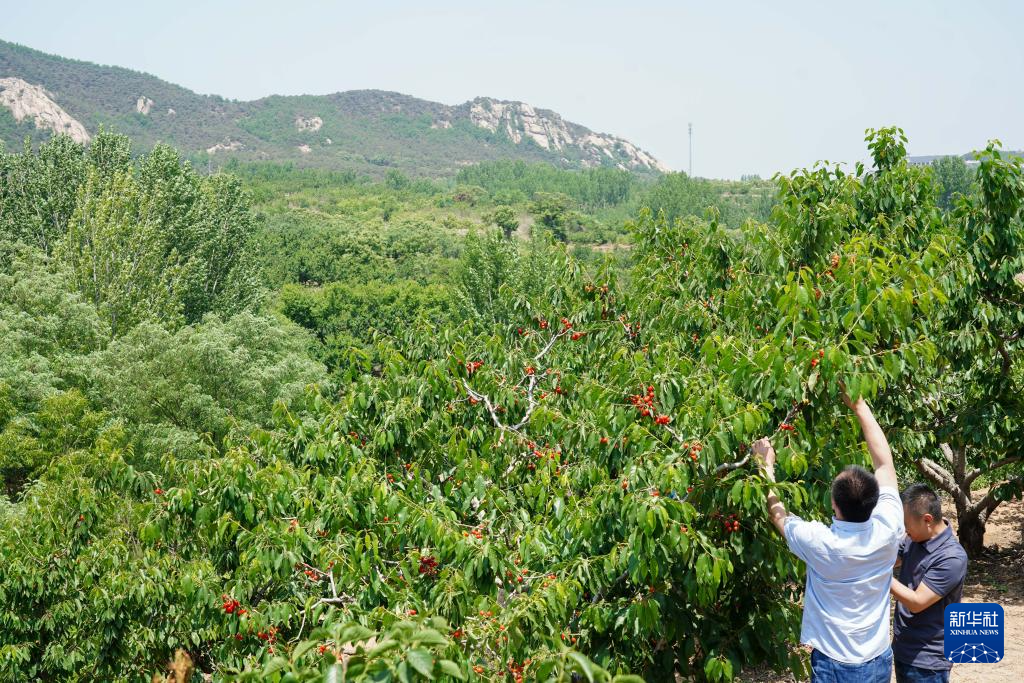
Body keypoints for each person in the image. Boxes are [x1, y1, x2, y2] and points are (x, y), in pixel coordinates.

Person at [752, 390, 904, 682]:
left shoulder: (820, 542)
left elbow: (778, 515)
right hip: (878, 658)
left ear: (834, 504)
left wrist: (764, 466)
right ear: (874, 501)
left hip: (833, 664)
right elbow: (885, 464)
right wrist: (859, 404)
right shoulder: (889, 528)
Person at [890, 483, 968, 683]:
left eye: (906, 525)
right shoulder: (914, 538)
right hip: (903, 648)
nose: (904, 531)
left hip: (928, 661)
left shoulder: (952, 558)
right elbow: (891, 558)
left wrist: (876, 573)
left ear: (927, 520)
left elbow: (917, 602)